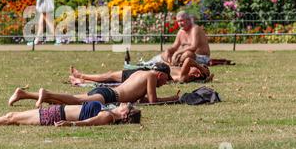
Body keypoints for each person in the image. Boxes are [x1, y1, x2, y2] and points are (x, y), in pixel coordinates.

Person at [8, 69, 179, 107]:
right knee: (75, 101)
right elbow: (152, 101)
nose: (165, 82)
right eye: (166, 78)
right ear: (159, 73)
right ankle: (46, 93)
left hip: (106, 92)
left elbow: (140, 99)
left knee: (68, 102)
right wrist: (172, 99)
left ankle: (24, 94)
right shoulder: (150, 76)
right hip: (110, 96)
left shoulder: (139, 73)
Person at [0, 101, 141, 127]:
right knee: (12, 116)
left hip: (54, 116)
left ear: (125, 116)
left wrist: (71, 124)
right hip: (55, 111)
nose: (126, 104)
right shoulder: (109, 110)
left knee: (11, 118)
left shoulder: (109, 116)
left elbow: (90, 121)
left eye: (128, 107)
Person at [69, 59, 213, 85]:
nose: (199, 65)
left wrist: (201, 68)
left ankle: (82, 76)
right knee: (111, 77)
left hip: (144, 75)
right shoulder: (182, 71)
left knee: (111, 76)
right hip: (145, 72)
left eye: (200, 67)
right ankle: (82, 79)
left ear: (198, 73)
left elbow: (188, 59)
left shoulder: (184, 77)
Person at [143, 11, 211, 66]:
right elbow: (174, 46)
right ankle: (147, 64)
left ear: (188, 20)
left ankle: (171, 64)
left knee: (187, 54)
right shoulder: (181, 31)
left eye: (181, 21)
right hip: (182, 55)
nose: (179, 23)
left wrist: (177, 52)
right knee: (164, 54)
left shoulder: (195, 29)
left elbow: (193, 47)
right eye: (178, 21)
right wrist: (168, 51)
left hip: (201, 57)